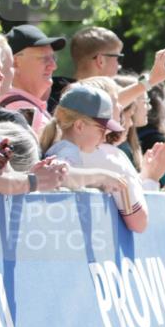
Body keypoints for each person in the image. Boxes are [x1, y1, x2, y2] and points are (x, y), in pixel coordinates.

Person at [42, 86, 141, 228]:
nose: (105, 137)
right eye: (101, 130)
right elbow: (58, 174)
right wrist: (102, 176)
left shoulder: (66, 147)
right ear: (79, 126)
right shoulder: (68, 150)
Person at [0, 25, 66, 136]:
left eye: (53, 58)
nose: (53, 66)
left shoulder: (20, 107)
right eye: (44, 58)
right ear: (15, 62)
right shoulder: (22, 109)